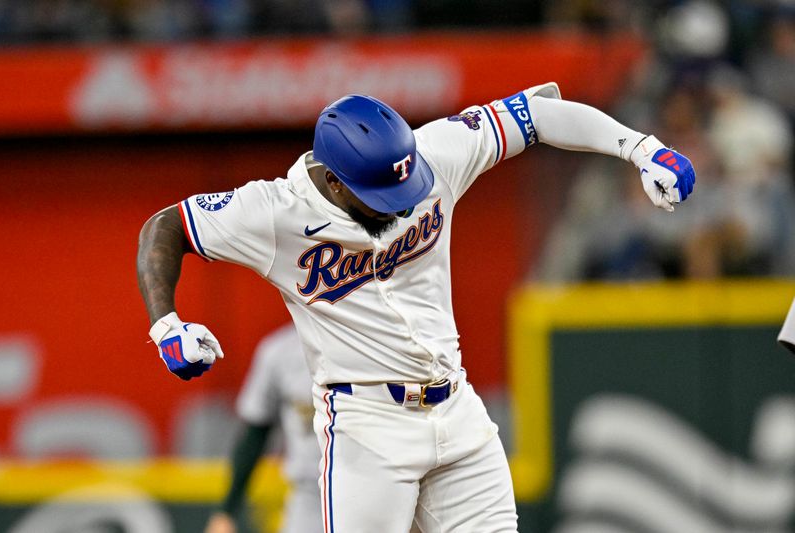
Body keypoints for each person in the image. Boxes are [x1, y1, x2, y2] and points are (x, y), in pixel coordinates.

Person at [136, 82, 695, 532]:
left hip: (457, 409)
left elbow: (538, 114)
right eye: (381, 198)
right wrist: (166, 323)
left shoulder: (432, 154)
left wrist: (640, 147)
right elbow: (164, 227)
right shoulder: (273, 212)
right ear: (333, 181)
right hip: (365, 427)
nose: (400, 207)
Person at [204, 324, 322, 533]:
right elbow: (255, 434)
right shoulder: (281, 351)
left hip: (374, 482)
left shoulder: (376, 342)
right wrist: (227, 510)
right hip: (311, 495)